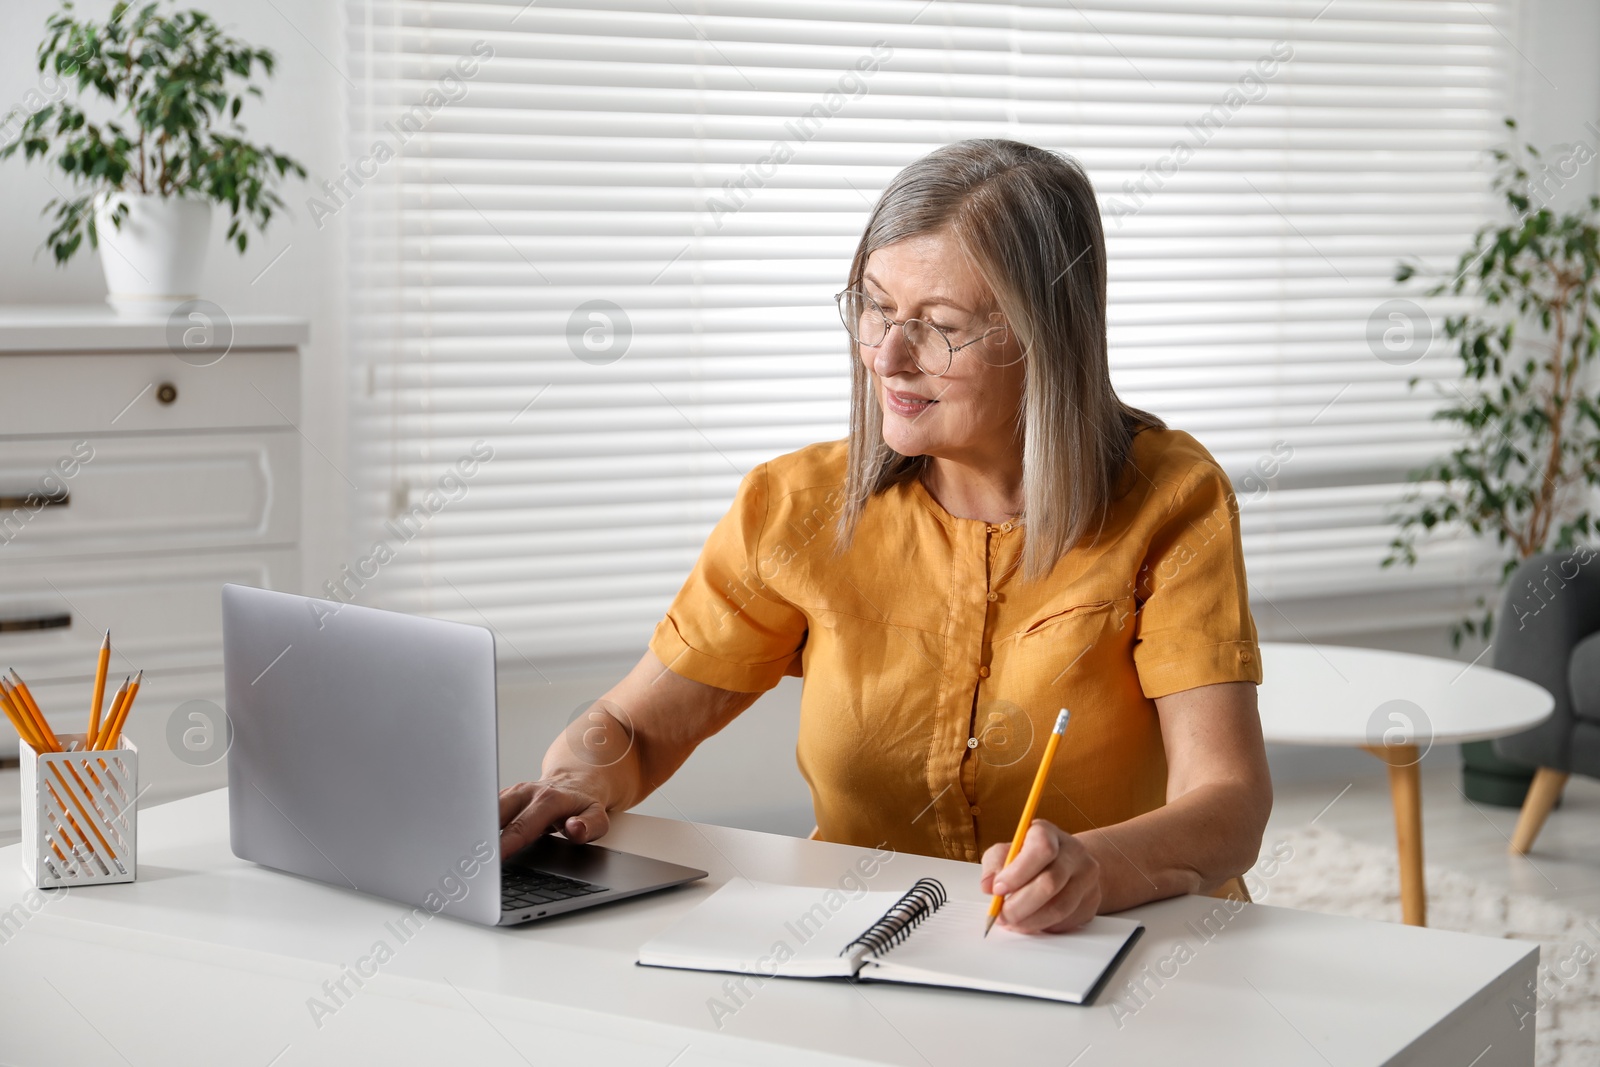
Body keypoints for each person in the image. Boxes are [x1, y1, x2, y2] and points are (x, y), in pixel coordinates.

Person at [498, 138, 1272, 935]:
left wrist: (1095, 868)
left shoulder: (1172, 496)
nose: (888, 356)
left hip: (1130, 941)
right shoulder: (794, 504)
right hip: (870, 942)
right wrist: (576, 777)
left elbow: (1229, 804)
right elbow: (632, 726)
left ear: (1047, 336)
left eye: (938, 325)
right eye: (874, 306)